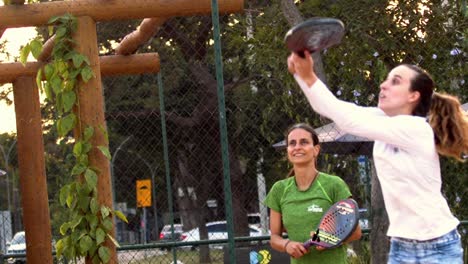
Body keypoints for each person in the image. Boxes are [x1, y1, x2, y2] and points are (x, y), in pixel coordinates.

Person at [287, 51, 467, 264]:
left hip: (437, 247)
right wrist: (301, 74)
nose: (383, 85)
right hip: (401, 246)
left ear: (413, 95)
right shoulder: (383, 120)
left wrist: (309, 76)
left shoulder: (415, 128)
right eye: (387, 79)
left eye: (395, 81)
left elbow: (348, 121)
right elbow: (333, 109)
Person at [264, 123, 362, 264]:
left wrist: (327, 239)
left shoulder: (334, 185)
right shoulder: (279, 189)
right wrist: (287, 245)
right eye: (292, 143)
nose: (297, 147)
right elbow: (274, 238)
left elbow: (356, 232)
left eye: (304, 142)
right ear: (288, 151)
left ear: (316, 150)